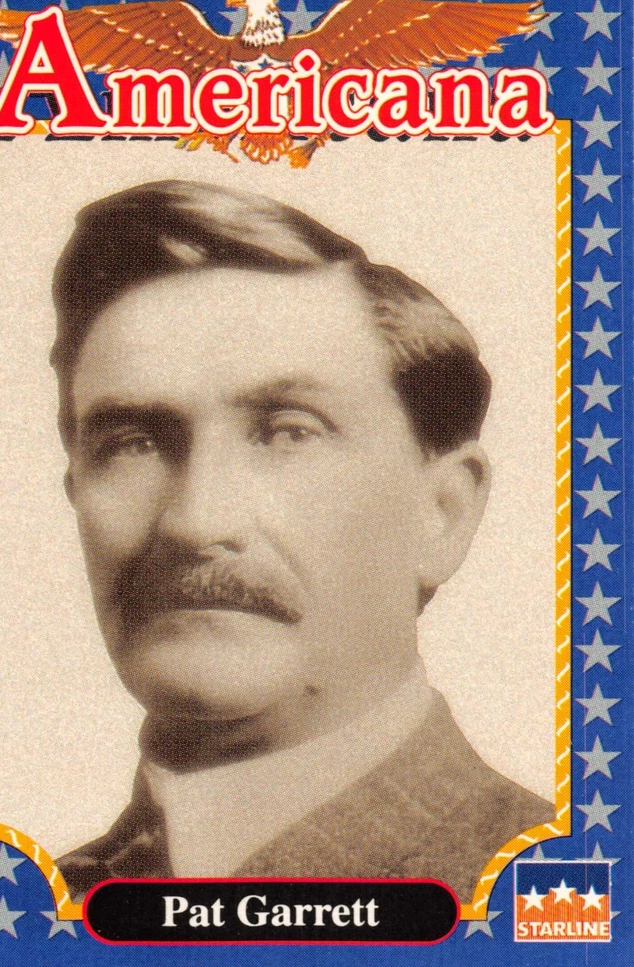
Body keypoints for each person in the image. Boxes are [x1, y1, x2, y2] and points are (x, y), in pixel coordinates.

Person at [52, 179, 554, 902]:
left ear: (442, 513)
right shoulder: (26, 909)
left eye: (288, 432)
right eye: (132, 444)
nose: (195, 522)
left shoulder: (537, 886)